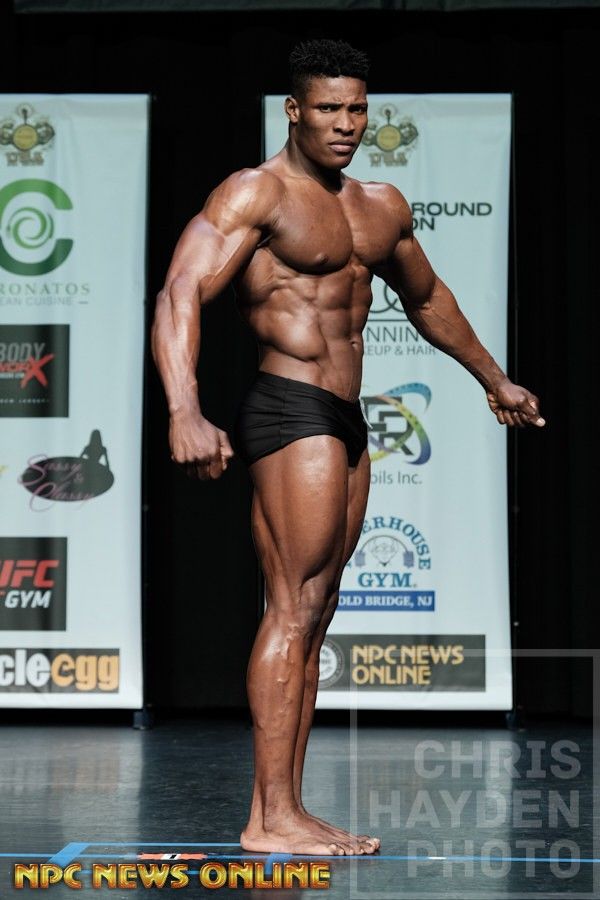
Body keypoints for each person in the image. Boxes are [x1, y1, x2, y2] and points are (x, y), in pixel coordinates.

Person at [151, 38, 544, 857]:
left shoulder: (379, 205)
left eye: (357, 109)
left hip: (346, 415)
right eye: (327, 108)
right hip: (288, 407)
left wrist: (495, 379)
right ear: (294, 110)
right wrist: (185, 408)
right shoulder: (256, 193)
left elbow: (427, 300)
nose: (345, 124)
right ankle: (268, 819)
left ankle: (287, 810)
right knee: (293, 605)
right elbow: (182, 288)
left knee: (317, 611)